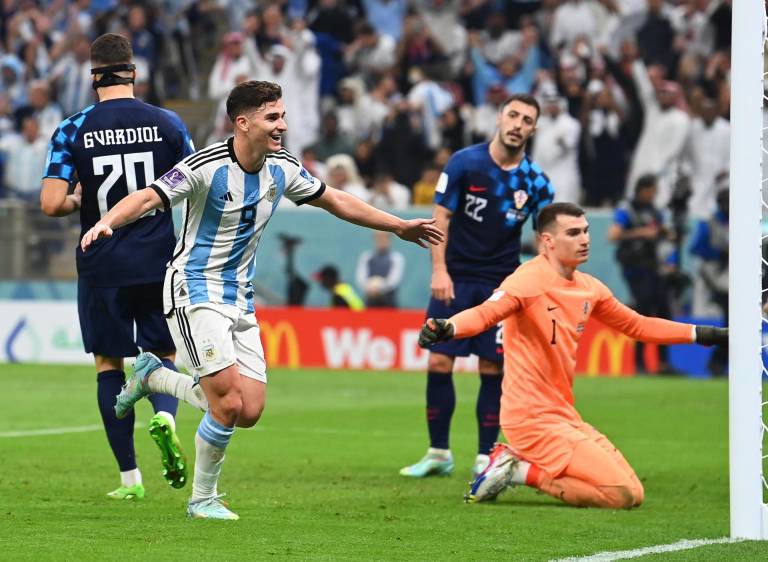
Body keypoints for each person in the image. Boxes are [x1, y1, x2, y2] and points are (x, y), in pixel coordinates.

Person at [79, 80, 443, 520]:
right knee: (227, 403)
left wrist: (396, 225)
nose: (283, 126)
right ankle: (202, 499)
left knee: (248, 409)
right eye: (273, 117)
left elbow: (337, 201)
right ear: (242, 122)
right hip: (194, 288)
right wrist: (107, 223)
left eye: (283, 116)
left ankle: (155, 375)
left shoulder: (283, 168)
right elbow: (147, 196)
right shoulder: (204, 166)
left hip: (240, 297)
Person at [418, 202, 728, 508]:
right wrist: (449, 327)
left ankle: (515, 465)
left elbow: (638, 325)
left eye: (586, 231)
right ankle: (520, 471)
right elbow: (486, 313)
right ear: (548, 241)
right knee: (619, 494)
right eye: (574, 233)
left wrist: (701, 334)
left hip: (563, 415)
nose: (585, 239)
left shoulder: (589, 288)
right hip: (530, 419)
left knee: (634, 493)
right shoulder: (526, 281)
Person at [40, 33, 195, 500]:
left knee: (109, 364)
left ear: (93, 78)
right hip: (158, 260)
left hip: (101, 263)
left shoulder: (73, 128)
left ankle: (130, 479)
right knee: (163, 356)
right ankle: (165, 416)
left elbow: (49, 204)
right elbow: (195, 182)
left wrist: (77, 199)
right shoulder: (168, 123)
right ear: (133, 73)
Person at [400, 93, 555, 480]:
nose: (518, 124)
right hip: (454, 278)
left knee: (492, 365)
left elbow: (546, 240)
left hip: (501, 284)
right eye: (513, 115)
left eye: (527, 120)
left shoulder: (535, 181)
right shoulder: (465, 163)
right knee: (438, 360)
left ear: (534, 129)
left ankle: (486, 455)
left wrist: (540, 287)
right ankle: (439, 452)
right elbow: (440, 218)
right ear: (499, 118)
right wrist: (439, 271)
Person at [608, 174, 676, 374]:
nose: (653, 195)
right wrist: (641, 232)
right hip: (635, 268)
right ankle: (640, 363)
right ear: (643, 189)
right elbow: (613, 235)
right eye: (652, 190)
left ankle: (663, 363)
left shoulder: (655, 211)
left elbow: (666, 236)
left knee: (664, 311)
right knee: (643, 311)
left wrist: (666, 234)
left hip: (655, 267)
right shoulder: (626, 209)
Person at [355, 231, 404, 308]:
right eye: (379, 237)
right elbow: (361, 278)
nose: (382, 240)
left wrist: (378, 286)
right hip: (369, 301)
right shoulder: (366, 257)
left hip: (389, 302)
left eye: (385, 237)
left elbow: (394, 280)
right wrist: (370, 286)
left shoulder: (396, 258)